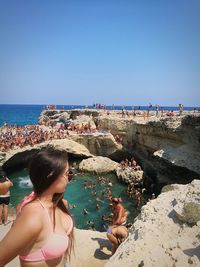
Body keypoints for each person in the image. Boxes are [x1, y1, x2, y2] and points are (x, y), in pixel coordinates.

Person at [0, 147, 74, 267]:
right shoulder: (34, 215)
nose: (70, 178)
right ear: (51, 175)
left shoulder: (58, 203)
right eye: (67, 173)